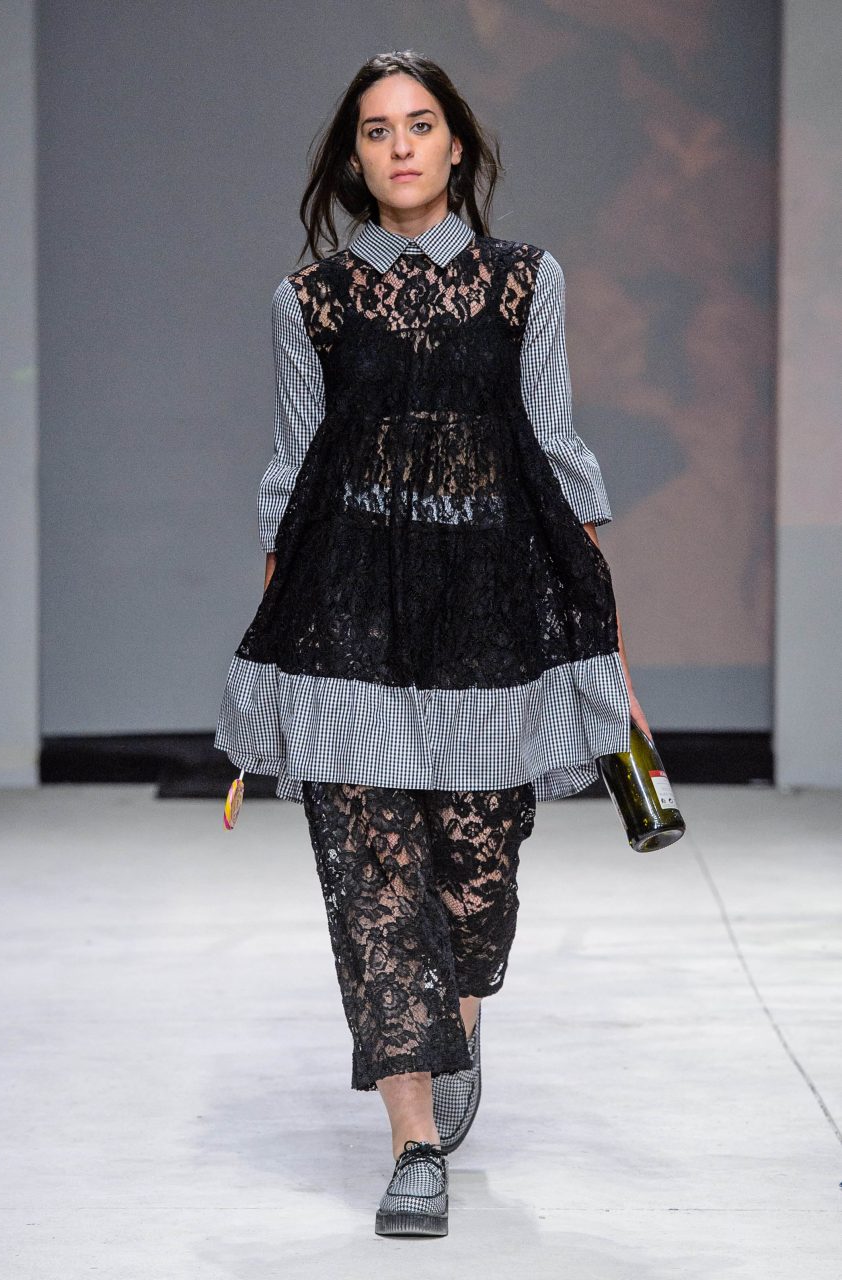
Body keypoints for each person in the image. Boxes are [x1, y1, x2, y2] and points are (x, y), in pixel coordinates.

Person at [214, 49, 650, 1239]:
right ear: (353, 158)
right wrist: (273, 636)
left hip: (487, 617)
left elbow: (553, 445)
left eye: (418, 124)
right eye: (375, 129)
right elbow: (292, 469)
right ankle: (411, 1141)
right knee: (374, 882)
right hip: (346, 617)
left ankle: (457, 1013)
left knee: (475, 874)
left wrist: (602, 629)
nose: (399, 145)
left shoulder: (523, 281)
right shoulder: (309, 301)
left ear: (456, 146)